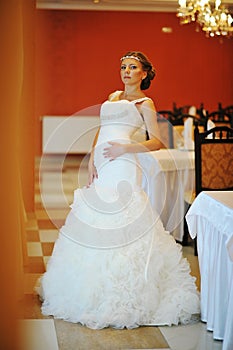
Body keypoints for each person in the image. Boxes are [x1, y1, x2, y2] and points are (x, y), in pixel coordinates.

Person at [36, 51, 200, 329]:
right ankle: (88, 285)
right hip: (102, 162)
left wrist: (127, 147)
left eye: (132, 67)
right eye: (123, 66)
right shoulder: (113, 97)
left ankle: (126, 290)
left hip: (124, 163)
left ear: (144, 73)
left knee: (122, 215)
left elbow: (158, 142)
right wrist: (91, 158)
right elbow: (102, 130)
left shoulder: (145, 103)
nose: (126, 71)